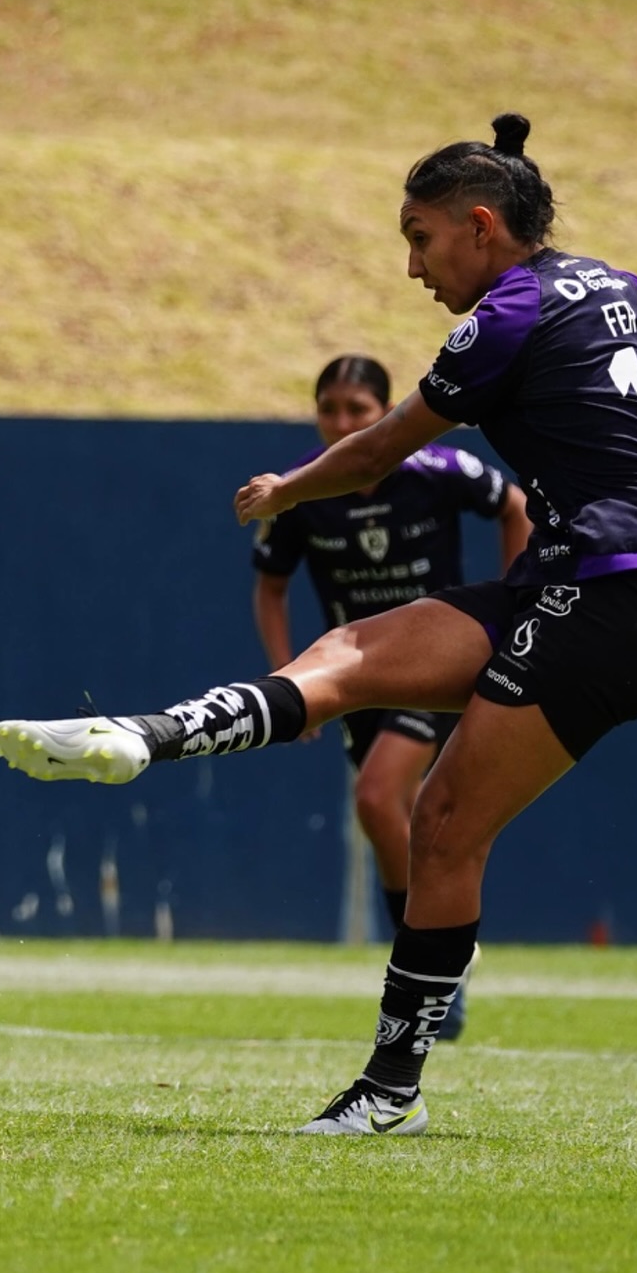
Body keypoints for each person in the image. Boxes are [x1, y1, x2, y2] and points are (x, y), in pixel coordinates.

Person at [0, 113, 637, 1136]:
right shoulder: (626, 286)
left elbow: (374, 453)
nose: (412, 264)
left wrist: (282, 491)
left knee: (442, 825)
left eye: (419, 236)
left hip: (604, 597)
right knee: (349, 655)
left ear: (481, 226)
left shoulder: (503, 317)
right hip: (590, 581)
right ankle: (140, 737)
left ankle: (390, 1088)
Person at [253, 352, 529, 1037]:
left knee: (377, 797)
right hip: (357, 675)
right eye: (330, 409)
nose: (342, 422)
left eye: (359, 410)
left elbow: (515, 505)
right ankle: (443, 957)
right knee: (403, 822)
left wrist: (520, 599)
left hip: (432, 665)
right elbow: (270, 586)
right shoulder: (305, 493)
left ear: (386, 414)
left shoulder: (436, 469)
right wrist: (290, 675)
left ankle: (430, 964)